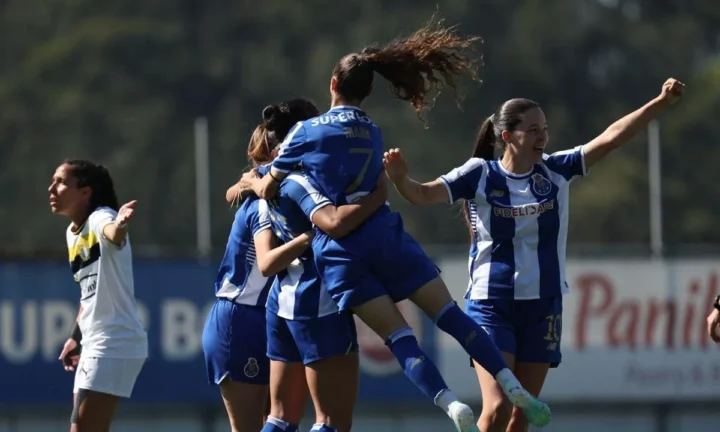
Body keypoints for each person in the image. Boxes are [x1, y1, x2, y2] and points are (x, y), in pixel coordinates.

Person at [251, 15, 550, 432]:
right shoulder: (372, 131)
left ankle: (448, 404)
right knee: (449, 314)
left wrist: (251, 180)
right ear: (369, 91)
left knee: (399, 338)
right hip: (385, 234)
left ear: (333, 85)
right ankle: (508, 381)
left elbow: (270, 183)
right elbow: (376, 186)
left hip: (340, 254)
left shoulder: (305, 131)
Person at [383, 78, 685, 431]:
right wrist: (401, 179)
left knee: (521, 416)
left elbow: (610, 137)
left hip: (542, 305)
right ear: (507, 136)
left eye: (544, 129)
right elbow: (421, 194)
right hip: (491, 305)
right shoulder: (479, 174)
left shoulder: (556, 170)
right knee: (495, 408)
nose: (542, 137)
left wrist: (660, 103)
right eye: (532, 130)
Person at [238, 100, 388, 432]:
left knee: (279, 419)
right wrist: (376, 197)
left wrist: (248, 181)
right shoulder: (303, 180)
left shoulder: (268, 177)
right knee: (332, 422)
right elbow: (334, 222)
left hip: (283, 298)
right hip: (318, 296)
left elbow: (239, 188)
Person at [203, 102, 321, 432]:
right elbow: (267, 262)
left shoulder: (281, 193)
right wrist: (310, 237)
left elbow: (235, 190)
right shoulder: (264, 202)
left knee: (282, 422)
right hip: (239, 319)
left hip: (270, 316)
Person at [49, 160, 148, 432]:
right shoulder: (72, 233)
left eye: (60, 182)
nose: (51, 188)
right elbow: (88, 296)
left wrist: (120, 224)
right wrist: (74, 337)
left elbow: (112, 233)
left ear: (85, 192)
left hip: (114, 341)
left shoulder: (100, 216)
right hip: (94, 342)